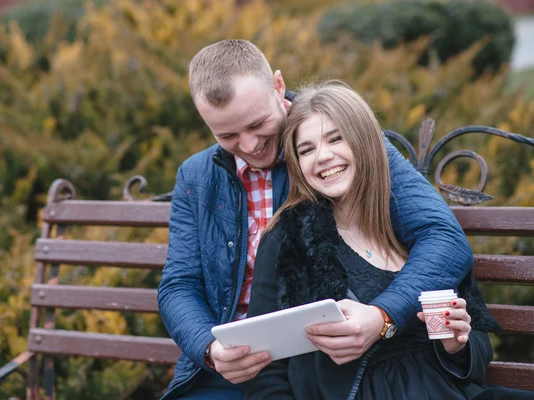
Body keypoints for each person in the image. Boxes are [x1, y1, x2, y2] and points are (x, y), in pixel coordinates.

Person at [157, 40, 474, 399]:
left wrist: (384, 315)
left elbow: (443, 238)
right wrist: (208, 348)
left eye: (258, 124)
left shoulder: (342, 149)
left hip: (315, 367)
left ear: (278, 86)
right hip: (227, 367)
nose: (248, 145)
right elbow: (179, 284)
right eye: (226, 135)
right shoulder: (196, 176)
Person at [242, 82, 528, 400]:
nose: (322, 156)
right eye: (306, 149)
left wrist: (457, 345)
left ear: (365, 142)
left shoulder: (413, 231)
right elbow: (265, 372)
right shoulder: (290, 239)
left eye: (336, 139)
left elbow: (475, 351)